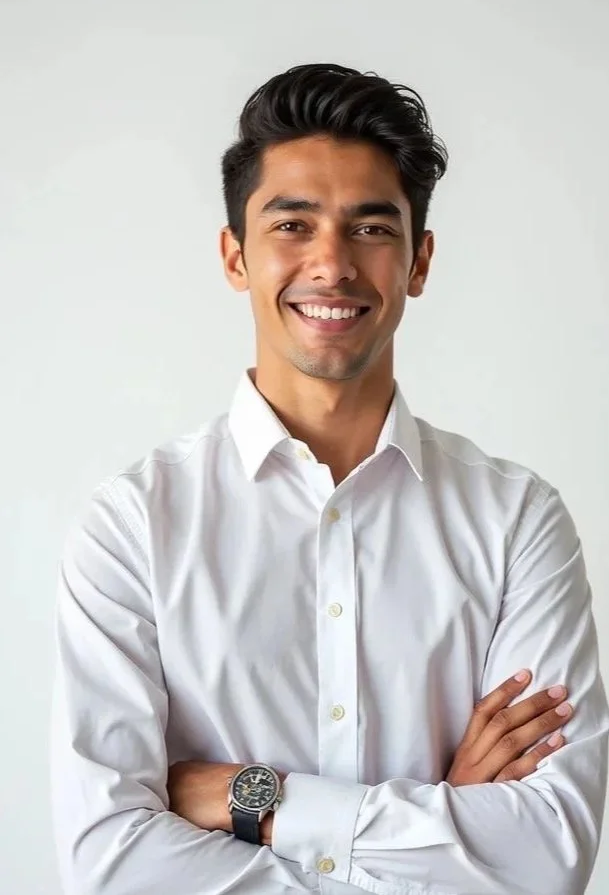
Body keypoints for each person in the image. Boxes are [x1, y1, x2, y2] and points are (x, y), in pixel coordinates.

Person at [51, 63, 608, 895]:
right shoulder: (132, 525)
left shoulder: (515, 520)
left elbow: (544, 854)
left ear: (417, 262)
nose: (331, 264)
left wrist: (255, 798)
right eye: (292, 224)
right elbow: (110, 863)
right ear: (234, 256)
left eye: (371, 229)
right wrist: (446, 816)